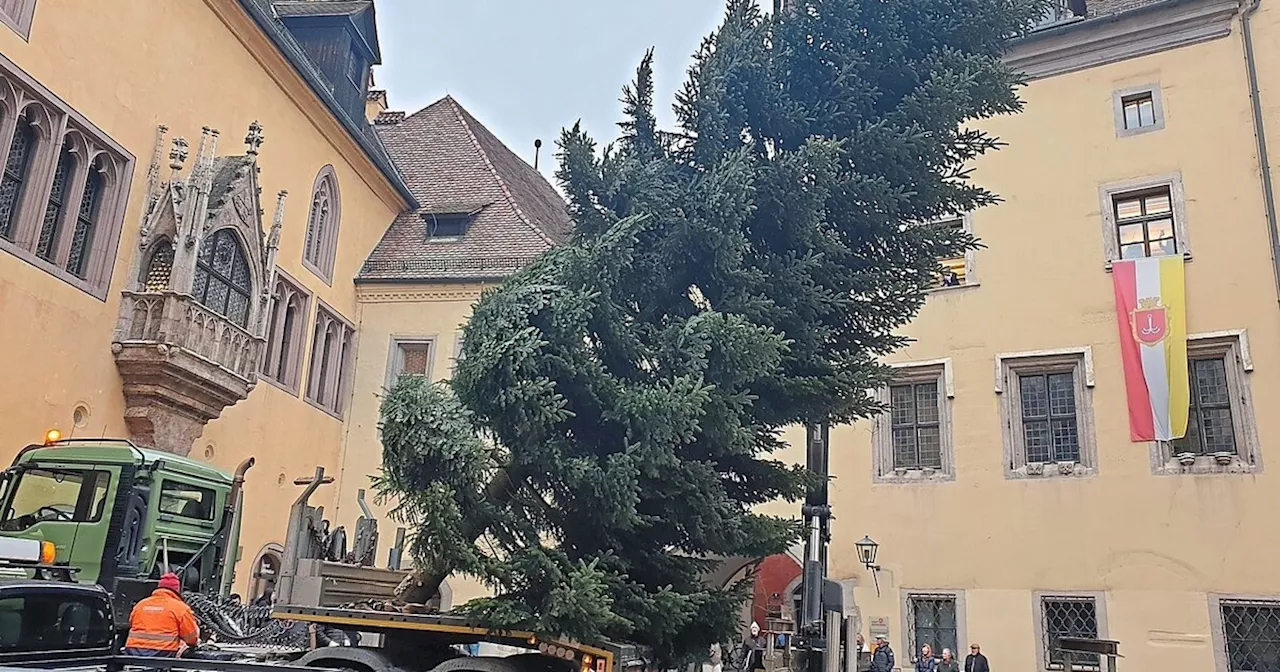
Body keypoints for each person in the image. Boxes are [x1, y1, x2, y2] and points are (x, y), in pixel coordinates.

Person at [124, 572, 199, 658]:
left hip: (133, 651)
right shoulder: (181, 608)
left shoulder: (141, 605)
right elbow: (191, 638)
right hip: (162, 653)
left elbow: (131, 623)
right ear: (177, 590)